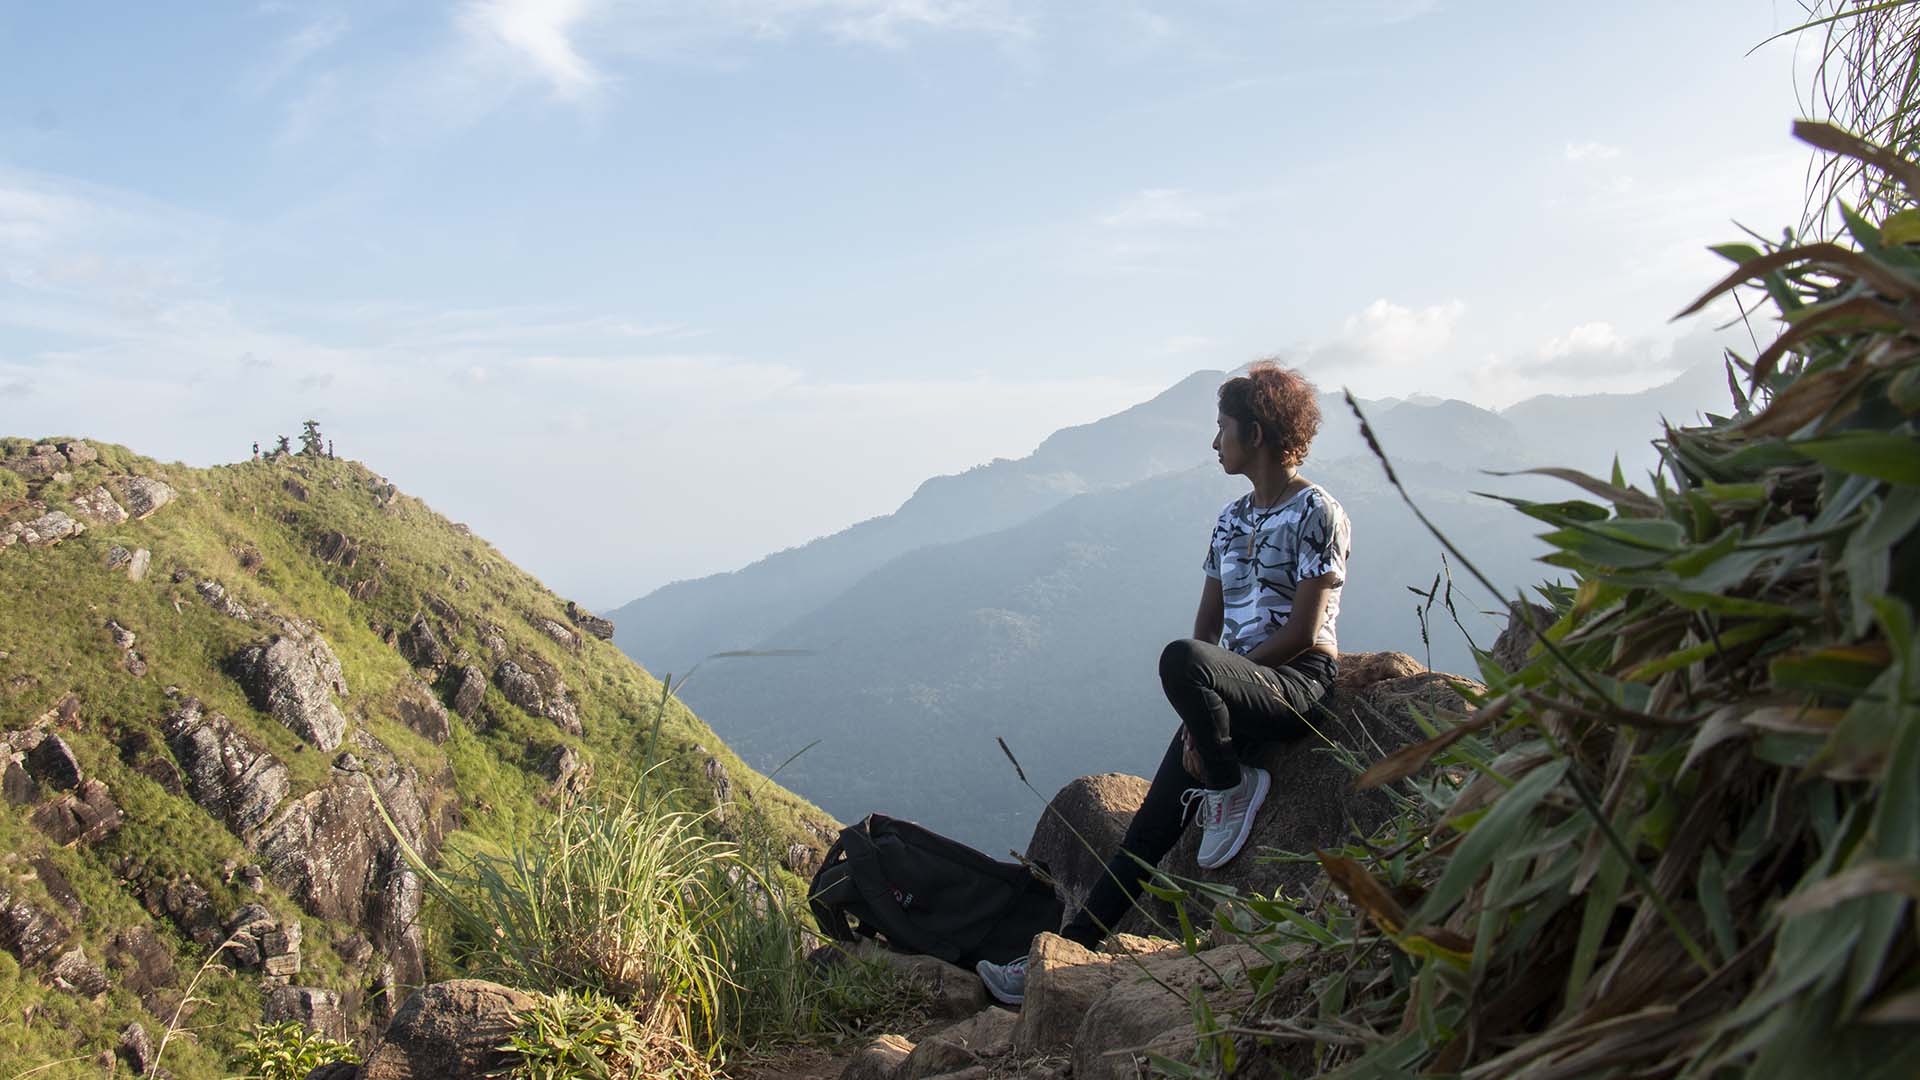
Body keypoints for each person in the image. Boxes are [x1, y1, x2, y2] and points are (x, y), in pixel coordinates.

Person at [977, 362, 1353, 1005]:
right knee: (1145, 834)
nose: (1214, 442)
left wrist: (1215, 691)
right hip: (1230, 689)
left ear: (1256, 433)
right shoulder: (1230, 519)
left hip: (1296, 684)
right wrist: (1201, 718)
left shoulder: (1317, 511)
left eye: (1223, 428)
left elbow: (1302, 631)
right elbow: (1208, 626)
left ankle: (1230, 787)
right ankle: (1058, 959)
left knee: (1181, 658)